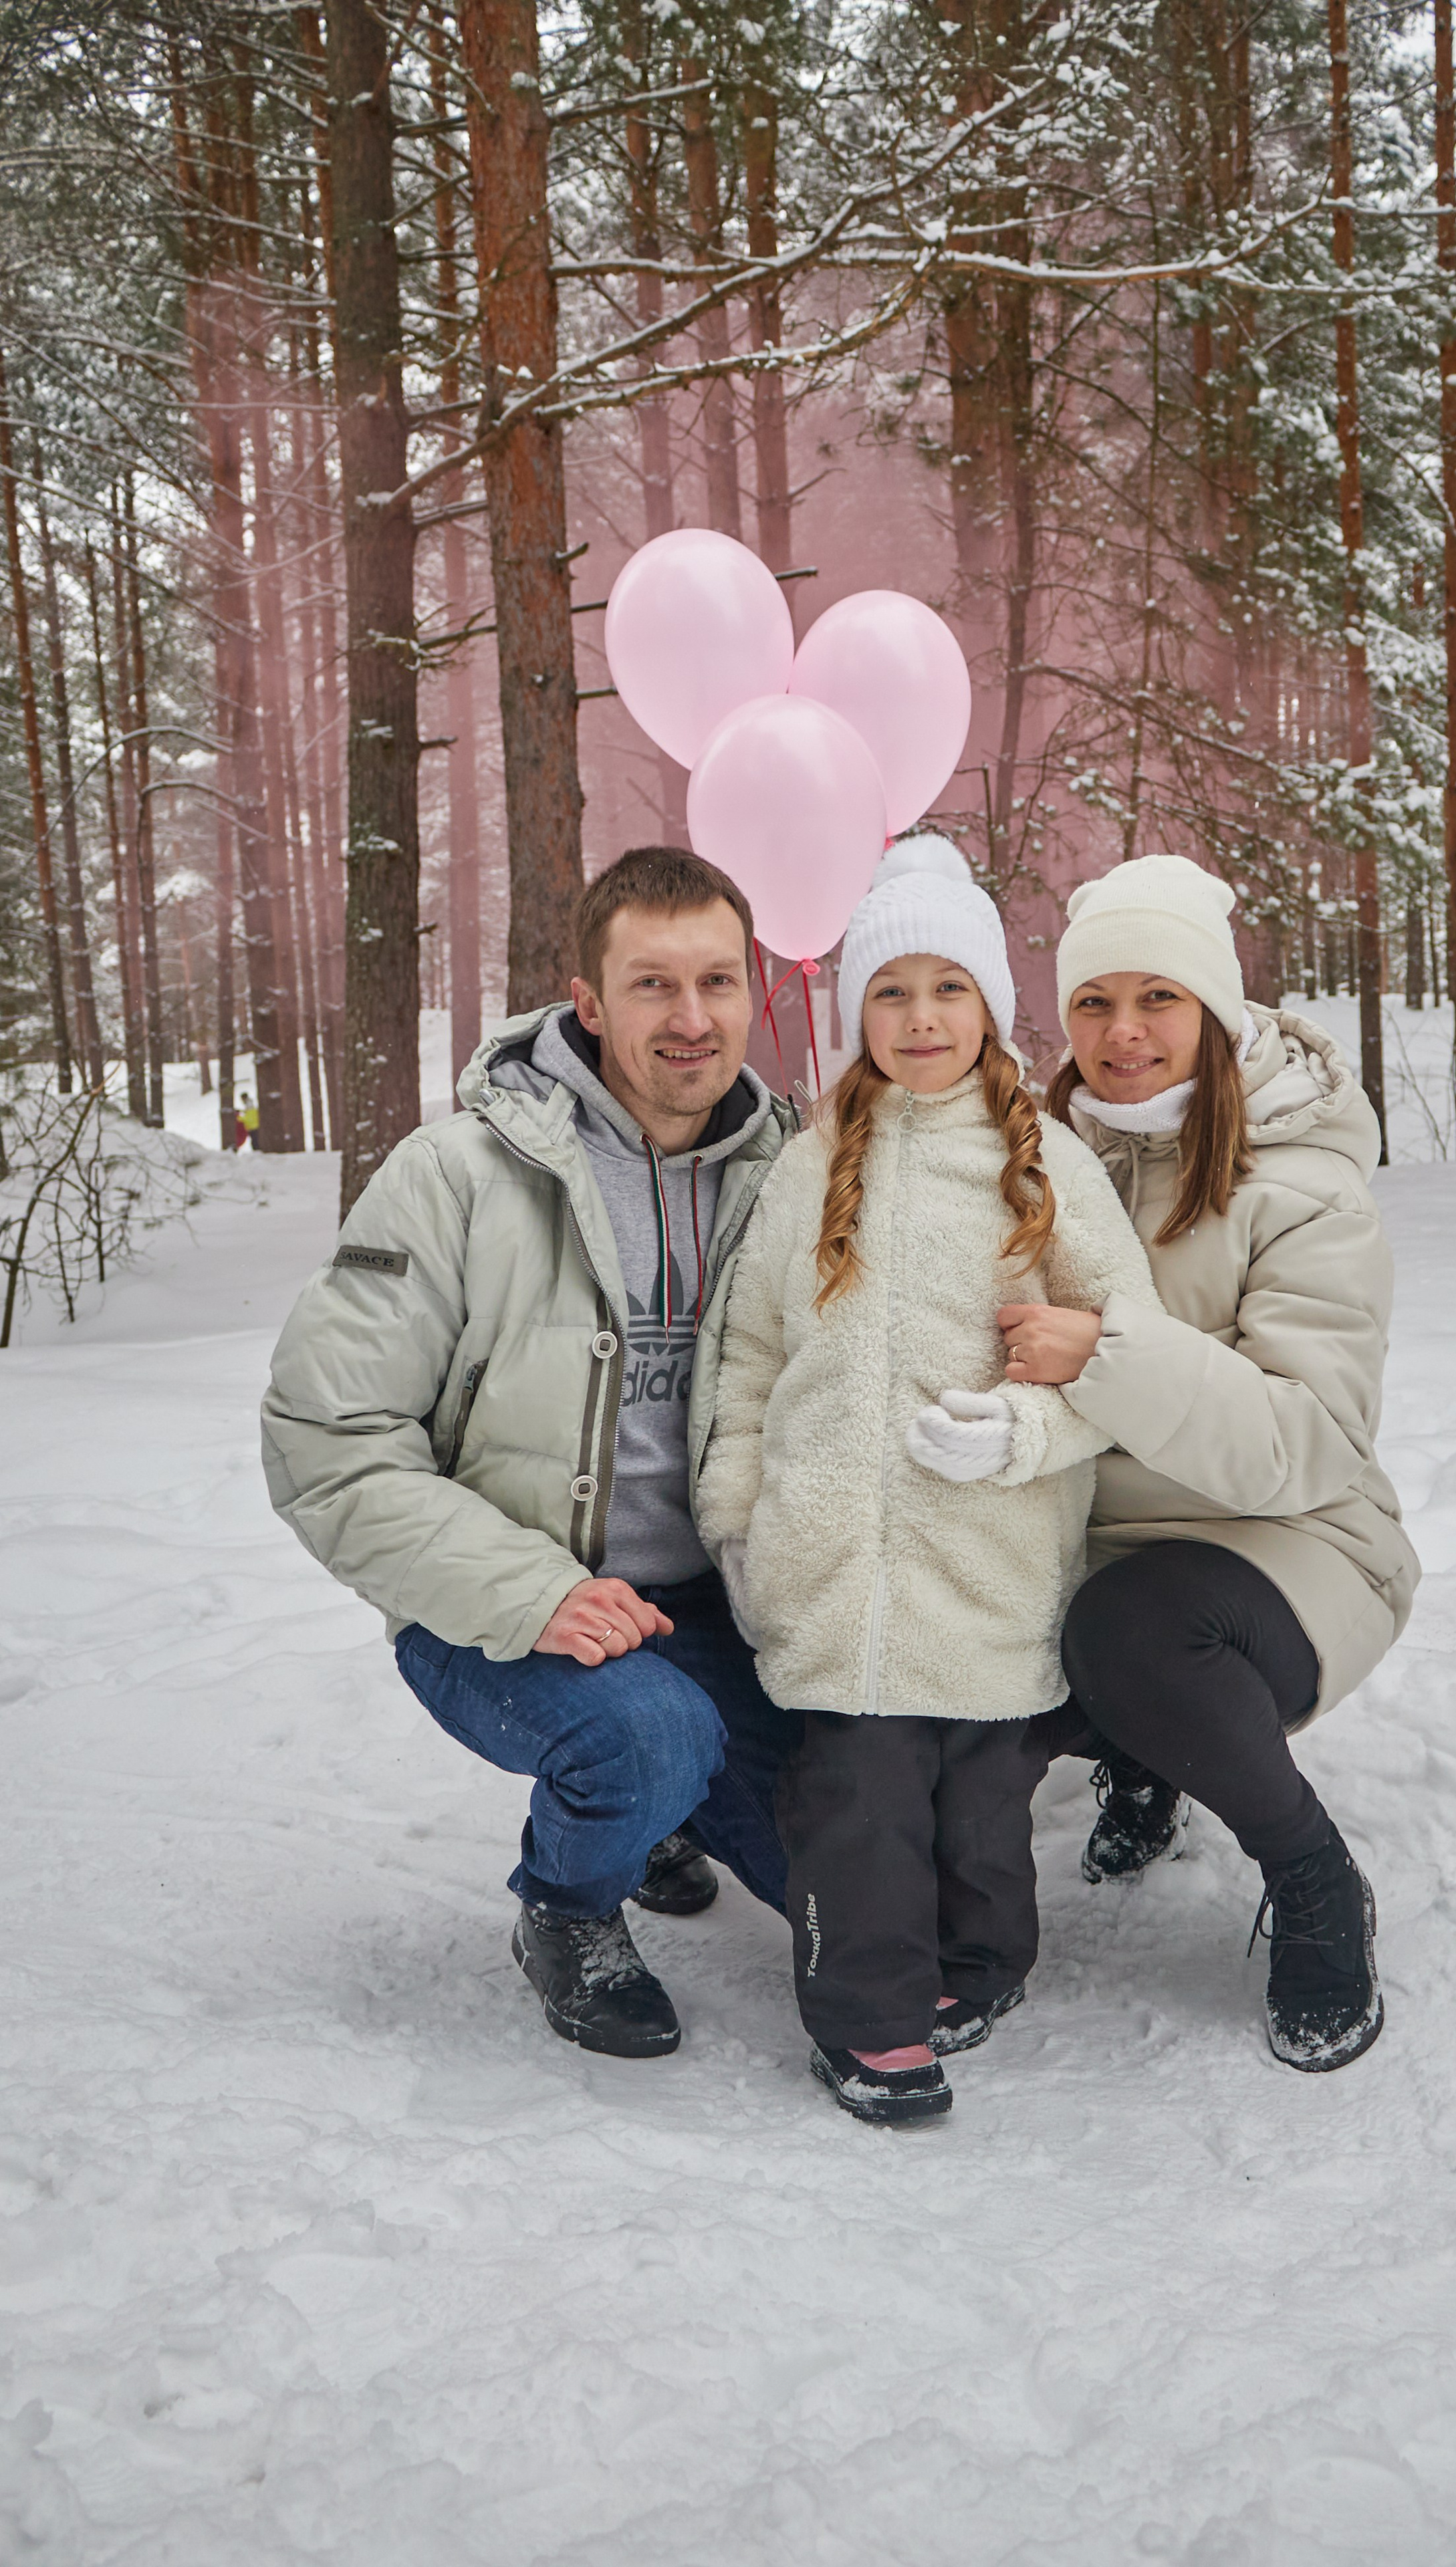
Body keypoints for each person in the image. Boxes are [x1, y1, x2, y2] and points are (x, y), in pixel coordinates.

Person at [262, 847, 802, 2061]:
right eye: (653, 984)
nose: (691, 1017)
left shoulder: (794, 1175)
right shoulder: (456, 1175)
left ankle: (668, 1812)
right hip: (500, 1604)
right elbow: (327, 1438)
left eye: (717, 981)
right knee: (648, 1737)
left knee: (859, 1880)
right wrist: (534, 1592)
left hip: (721, 1606)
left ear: (755, 991)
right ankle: (568, 1907)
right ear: (589, 1002)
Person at [697, 840, 1161, 2124]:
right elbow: (749, 1359)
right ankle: (871, 2021)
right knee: (859, 1804)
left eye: (948, 988)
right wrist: (739, 1522)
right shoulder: (807, 1167)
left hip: (992, 1559)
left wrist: (1025, 1434)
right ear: (858, 1012)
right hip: (834, 1566)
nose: (920, 1019)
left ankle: (981, 1965)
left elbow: (1128, 1354)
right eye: (890, 993)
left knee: (980, 1812)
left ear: (990, 1006)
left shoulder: (1048, 1165)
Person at [999, 854, 1420, 2073]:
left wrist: (1108, 1357)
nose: (1122, 1033)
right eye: (1093, 1003)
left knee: (1133, 1632)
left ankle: (1314, 1876)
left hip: (1288, 1549)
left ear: (1216, 1012)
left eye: (1158, 999)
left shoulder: (1302, 1186)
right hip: (1090, 1543)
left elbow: (1309, 1441)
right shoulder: (1037, 1163)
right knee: (958, 1655)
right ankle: (1140, 1758)